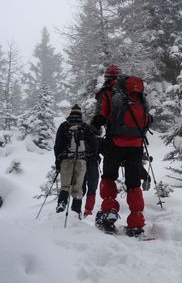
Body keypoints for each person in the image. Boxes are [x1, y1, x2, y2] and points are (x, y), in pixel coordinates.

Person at [90, 65, 152, 237]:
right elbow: (148, 118)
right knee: (134, 184)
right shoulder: (137, 93)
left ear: (106, 77)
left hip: (115, 144)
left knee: (109, 177)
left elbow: (100, 117)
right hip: (136, 145)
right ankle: (136, 223)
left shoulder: (108, 93)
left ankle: (109, 213)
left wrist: (92, 129)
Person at [54, 104, 94, 216]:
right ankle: (76, 212)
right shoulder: (85, 127)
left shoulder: (64, 126)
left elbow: (58, 146)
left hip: (66, 160)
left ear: (70, 113)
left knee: (65, 186)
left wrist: (58, 162)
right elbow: (93, 144)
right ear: (80, 114)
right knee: (78, 188)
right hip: (81, 161)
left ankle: (61, 206)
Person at [81, 135, 101, 218]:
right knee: (92, 189)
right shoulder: (95, 136)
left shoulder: (81, 134)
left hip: (81, 161)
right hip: (93, 162)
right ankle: (88, 210)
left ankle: (76, 208)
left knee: (80, 188)